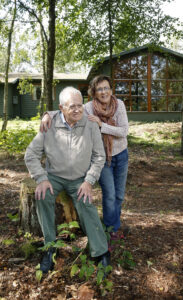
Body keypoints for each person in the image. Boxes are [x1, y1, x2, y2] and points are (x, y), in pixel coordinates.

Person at [25, 86, 110, 274]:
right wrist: (41, 178)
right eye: (72, 106)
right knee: (42, 196)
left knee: (86, 202)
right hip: (54, 176)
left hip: (80, 178)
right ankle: (50, 248)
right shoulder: (49, 124)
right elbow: (31, 154)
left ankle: (100, 251)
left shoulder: (90, 125)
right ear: (61, 108)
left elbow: (99, 157)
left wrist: (89, 180)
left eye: (80, 106)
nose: (77, 110)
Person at [41, 75, 129, 242]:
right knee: (109, 195)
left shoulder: (119, 106)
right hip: (102, 158)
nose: (103, 92)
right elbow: (68, 111)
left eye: (106, 88)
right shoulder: (88, 108)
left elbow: (123, 131)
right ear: (94, 92)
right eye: (99, 89)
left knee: (119, 196)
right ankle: (111, 231)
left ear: (111, 90)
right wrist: (47, 114)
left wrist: (102, 125)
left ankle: (113, 224)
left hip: (121, 155)